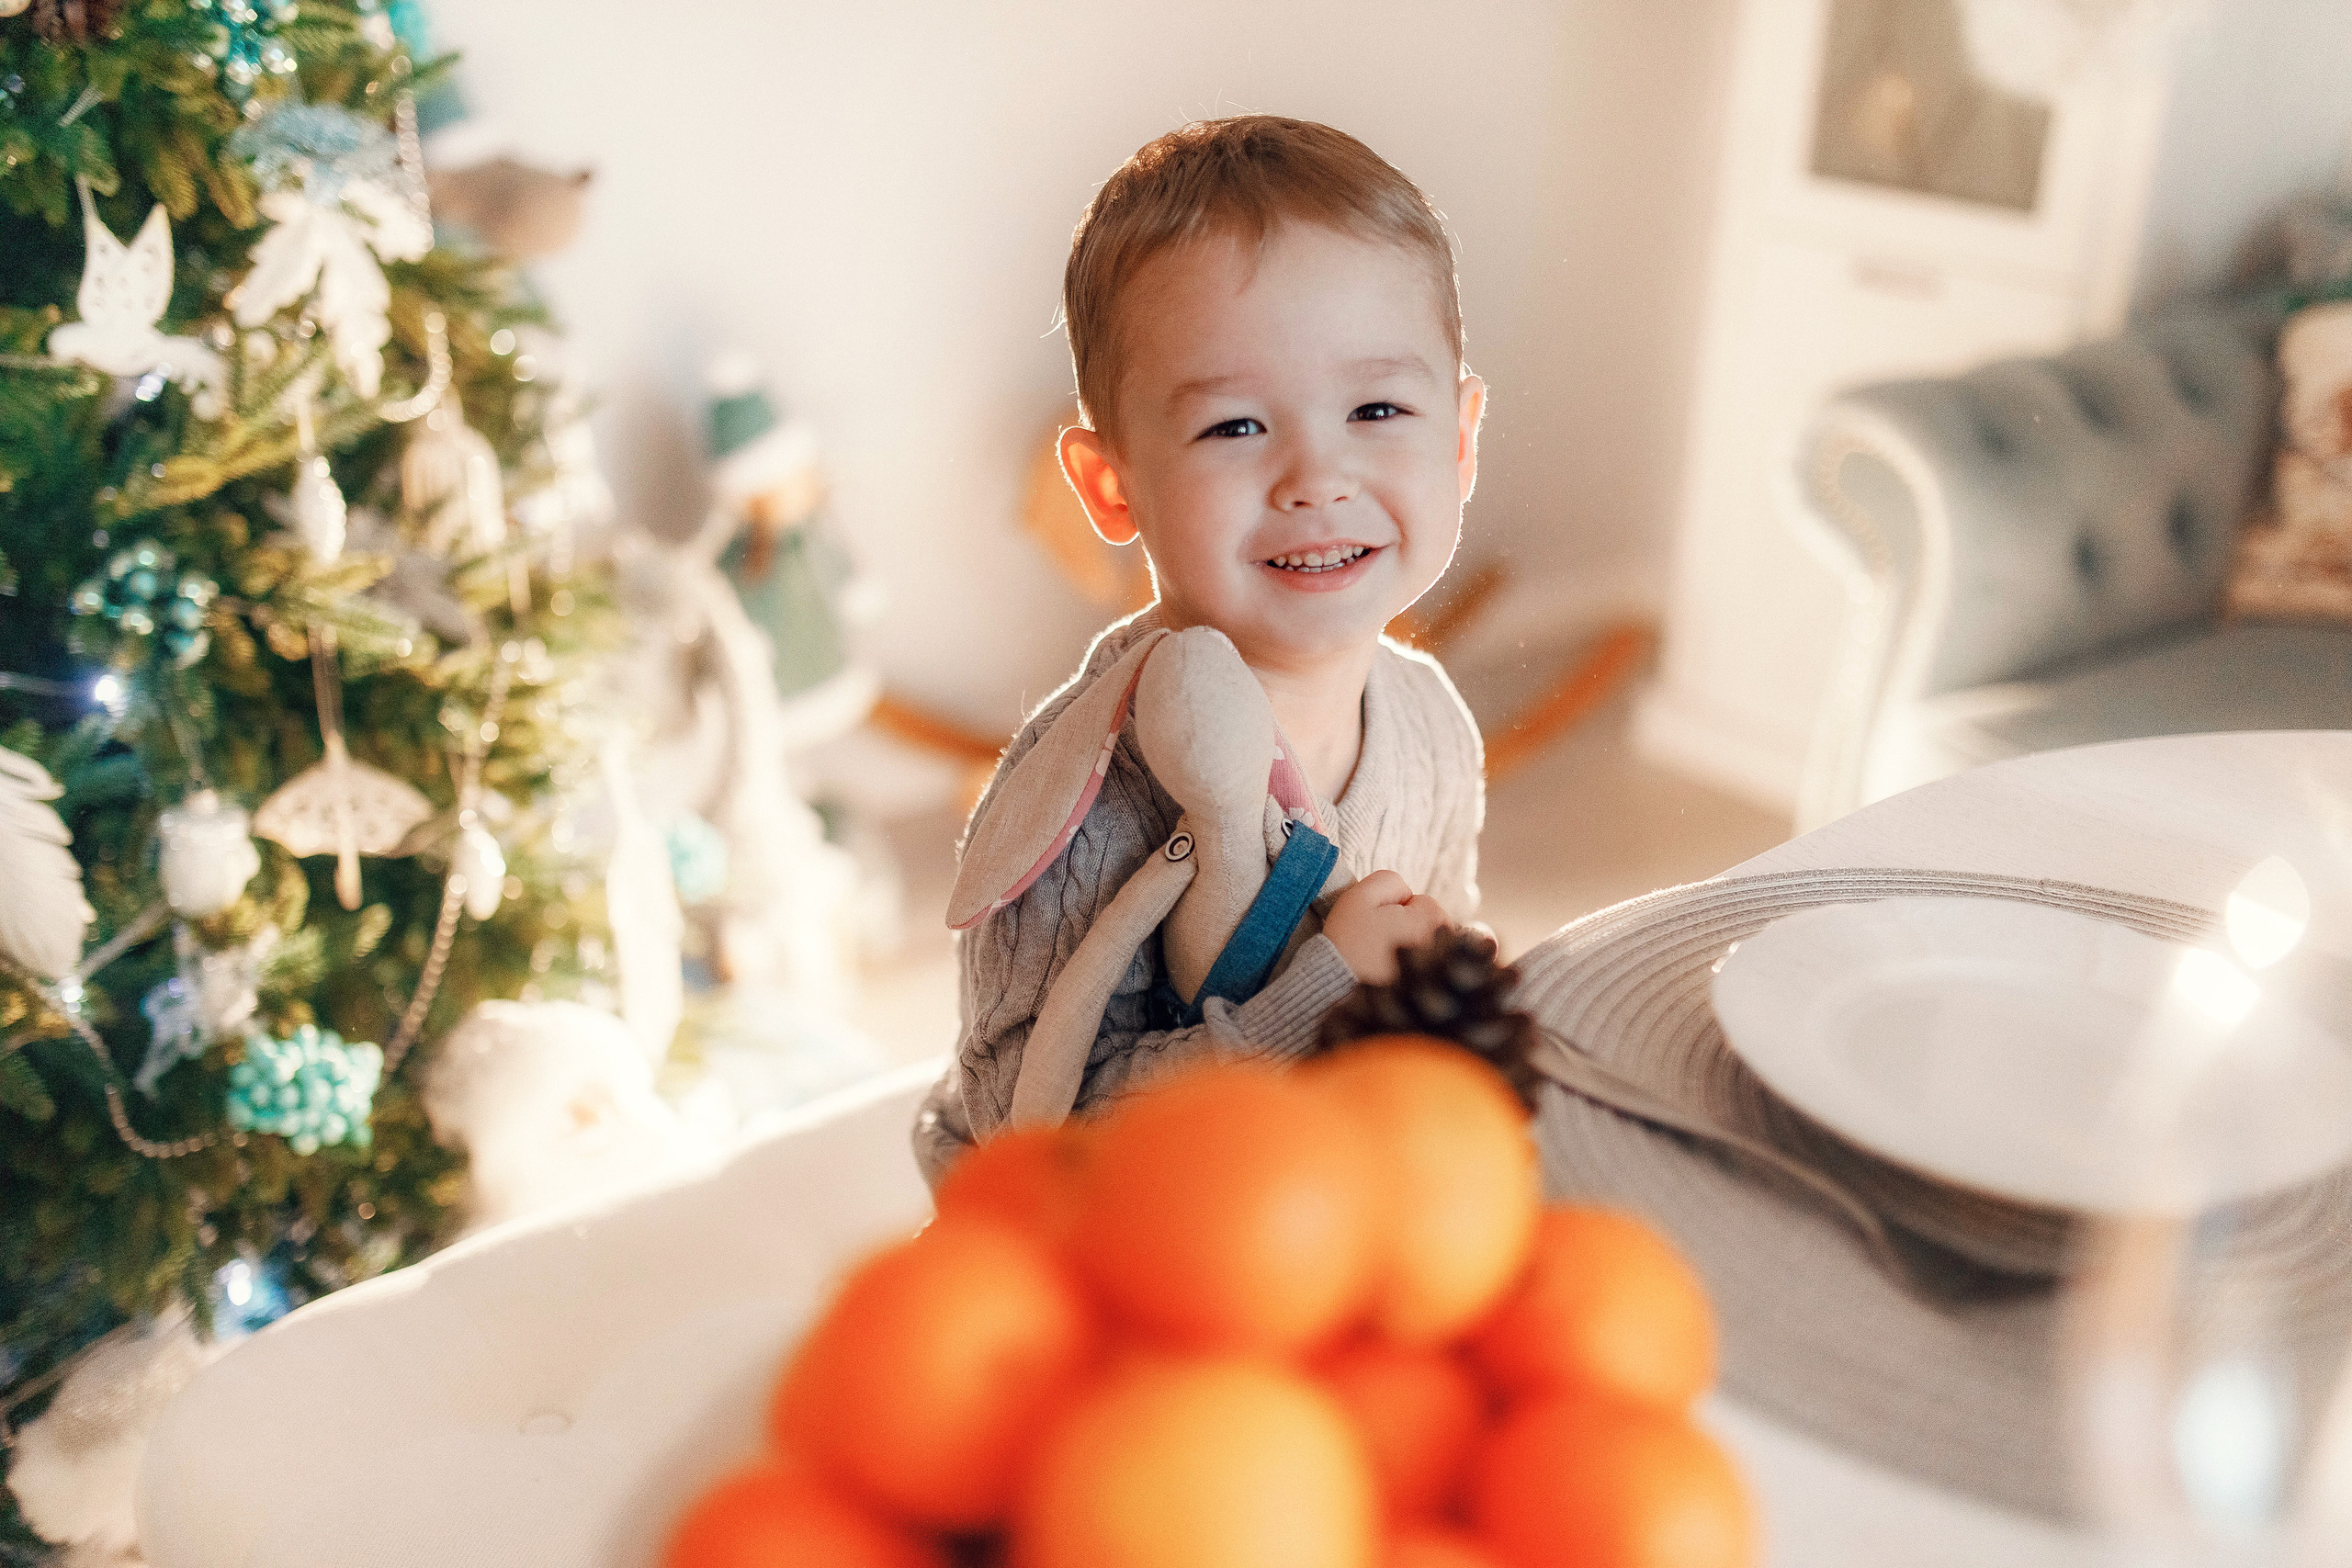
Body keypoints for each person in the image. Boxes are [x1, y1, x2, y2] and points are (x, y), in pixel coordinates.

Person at [913, 116, 1487, 1182]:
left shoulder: (1433, 729)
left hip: (1322, 1195)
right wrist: (1318, 1006)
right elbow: (1025, 1123)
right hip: (1096, 1237)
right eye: (1235, 427)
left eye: (1375, 407)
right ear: (1110, 486)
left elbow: (1443, 946)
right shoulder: (1084, 795)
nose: (1316, 477)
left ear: (1457, 445)